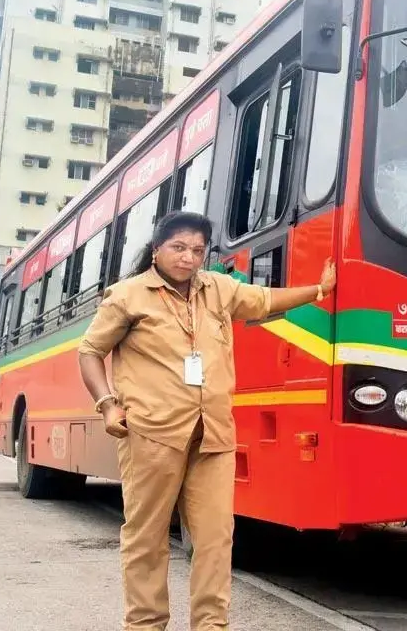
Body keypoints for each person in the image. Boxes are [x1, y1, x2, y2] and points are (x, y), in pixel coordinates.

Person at [77, 210, 336, 630]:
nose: (188, 258)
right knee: (147, 538)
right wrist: (107, 403)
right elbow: (89, 351)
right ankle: (145, 625)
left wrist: (319, 291)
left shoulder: (217, 289)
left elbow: (265, 300)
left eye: (197, 250)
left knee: (216, 540)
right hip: (152, 435)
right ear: (157, 248)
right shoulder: (128, 296)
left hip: (213, 436)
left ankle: (211, 626)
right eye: (178, 248)